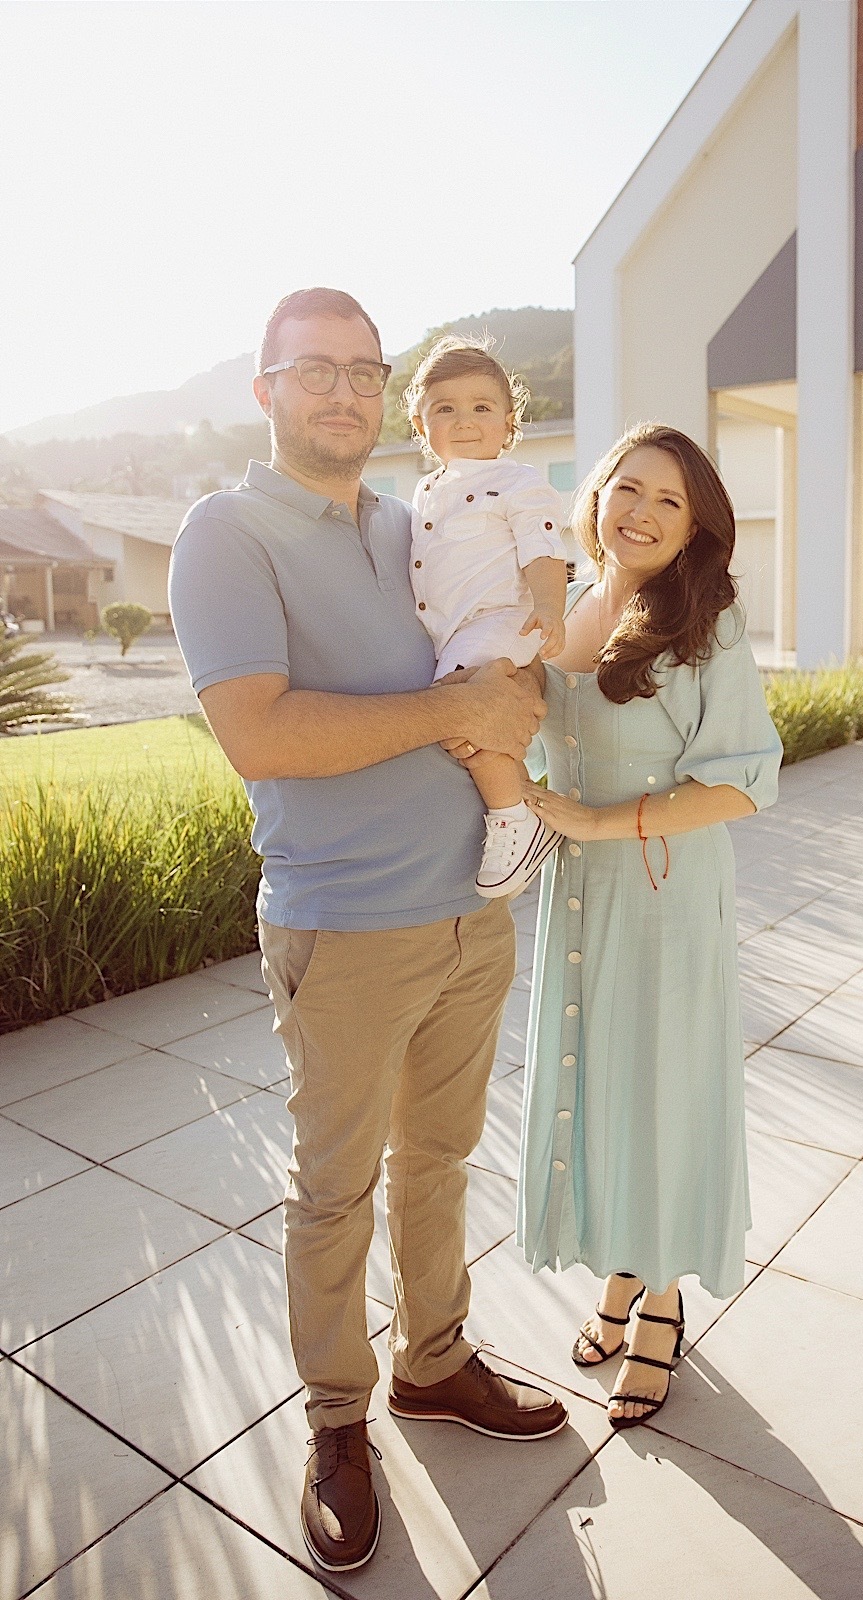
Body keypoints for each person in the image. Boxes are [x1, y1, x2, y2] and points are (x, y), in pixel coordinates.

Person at [168, 287, 568, 1577]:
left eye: (360, 369)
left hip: (472, 905)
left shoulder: (419, 515)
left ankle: (435, 1361)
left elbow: (512, 644)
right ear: (267, 389)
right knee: (335, 1188)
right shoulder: (224, 533)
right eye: (311, 370)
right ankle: (337, 1418)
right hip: (343, 927)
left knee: (439, 1161)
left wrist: (520, 690)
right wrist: (461, 706)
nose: (339, 391)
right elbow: (262, 734)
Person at [515, 423, 783, 1430]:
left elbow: (746, 779)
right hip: (578, 892)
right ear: (594, 496)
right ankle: (621, 1265)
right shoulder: (567, 608)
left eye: (667, 500)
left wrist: (592, 817)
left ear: (694, 526)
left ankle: (658, 1300)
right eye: (625, 488)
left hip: (663, 893)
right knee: (597, 1079)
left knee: (659, 1090)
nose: (639, 511)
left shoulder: (705, 624)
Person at [405, 335, 569, 896]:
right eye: (444, 408)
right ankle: (525, 801)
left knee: (459, 708)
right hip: (455, 631)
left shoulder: (518, 482)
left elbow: (542, 546)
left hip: (503, 620)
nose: (465, 420)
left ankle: (512, 819)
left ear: (508, 423)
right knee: (463, 718)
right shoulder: (426, 493)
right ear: (422, 427)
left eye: (482, 407)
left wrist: (550, 605)